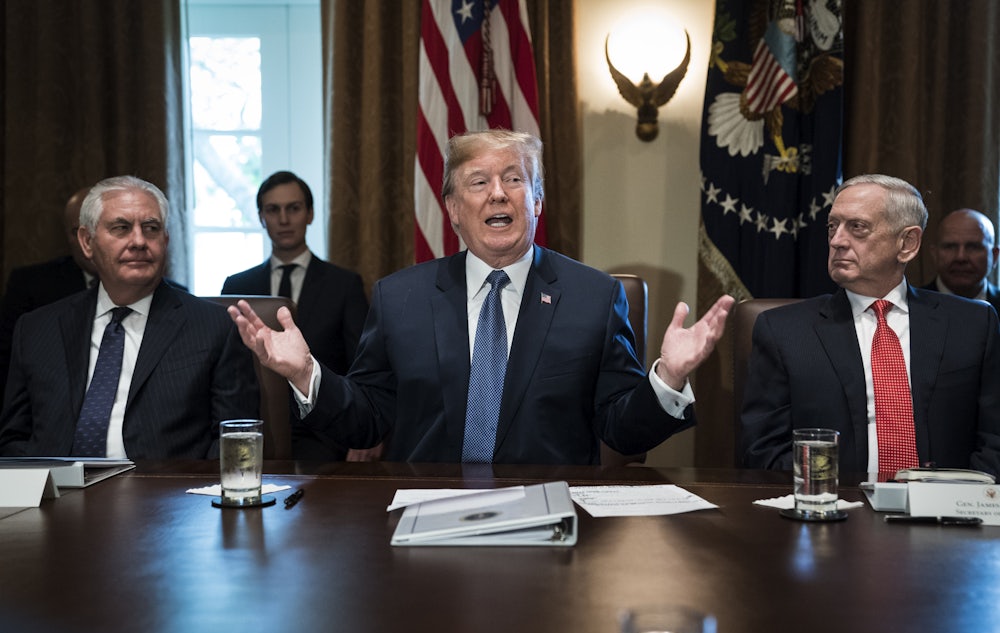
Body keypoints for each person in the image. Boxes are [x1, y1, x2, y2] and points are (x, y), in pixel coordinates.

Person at [228, 129, 734, 465]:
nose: (498, 194)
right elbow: (367, 422)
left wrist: (668, 377)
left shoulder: (594, 297)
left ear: (536, 201)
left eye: (514, 179)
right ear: (451, 207)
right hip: (425, 513)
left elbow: (622, 431)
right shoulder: (399, 297)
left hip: (551, 514)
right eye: (478, 182)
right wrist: (305, 374)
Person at [741, 174, 1000, 478]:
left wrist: (961, 506)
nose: (837, 241)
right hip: (835, 510)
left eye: (857, 227)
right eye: (832, 226)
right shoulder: (784, 331)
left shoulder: (972, 324)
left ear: (907, 243)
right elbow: (764, 450)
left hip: (948, 514)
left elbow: (994, 439)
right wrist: (830, 501)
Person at [0, 176, 258, 459]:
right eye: (121, 228)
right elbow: (13, 439)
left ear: (165, 240)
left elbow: (235, 441)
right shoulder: (37, 330)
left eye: (151, 229)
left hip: (164, 496)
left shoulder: (214, 328)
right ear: (87, 242)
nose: (138, 241)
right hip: (59, 496)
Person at [221, 171, 370, 459]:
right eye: (273, 210)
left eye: (294, 208)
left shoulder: (344, 284)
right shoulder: (236, 287)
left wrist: (364, 432)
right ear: (261, 217)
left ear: (310, 214)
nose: (284, 219)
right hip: (252, 430)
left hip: (327, 434)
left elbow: (361, 364)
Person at [0, 187, 97, 391]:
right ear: (68, 238)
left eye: (99, 229)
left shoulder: (164, 293)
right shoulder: (31, 285)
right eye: (78, 232)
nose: (89, 242)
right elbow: (9, 363)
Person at [921, 208, 1000, 311]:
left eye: (973, 247)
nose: (960, 257)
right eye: (950, 246)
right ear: (935, 254)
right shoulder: (909, 307)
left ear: (994, 256)